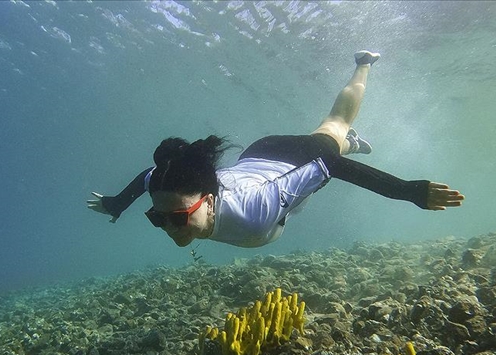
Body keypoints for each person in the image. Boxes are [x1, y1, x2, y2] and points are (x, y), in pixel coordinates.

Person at [87, 51, 464, 248]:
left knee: (334, 125)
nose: (169, 228)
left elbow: (329, 165)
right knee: (335, 141)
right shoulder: (175, 183)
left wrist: (407, 191)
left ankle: (364, 64)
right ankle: (352, 142)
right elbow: (152, 175)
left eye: (177, 218)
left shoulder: (257, 208)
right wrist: (118, 203)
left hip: (294, 161)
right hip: (257, 154)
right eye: (159, 218)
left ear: (209, 198)